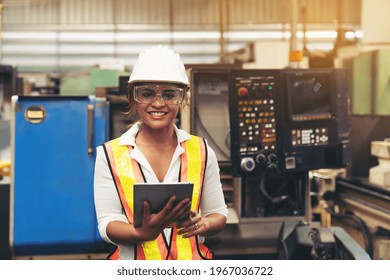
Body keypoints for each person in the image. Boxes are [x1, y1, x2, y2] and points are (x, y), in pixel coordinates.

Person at [94, 45, 228, 260]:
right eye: (146, 94)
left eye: (169, 94)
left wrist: (204, 224)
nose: (158, 103)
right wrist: (142, 233)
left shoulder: (202, 150)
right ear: (132, 100)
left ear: (182, 99)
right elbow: (107, 222)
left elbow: (219, 214)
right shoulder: (110, 154)